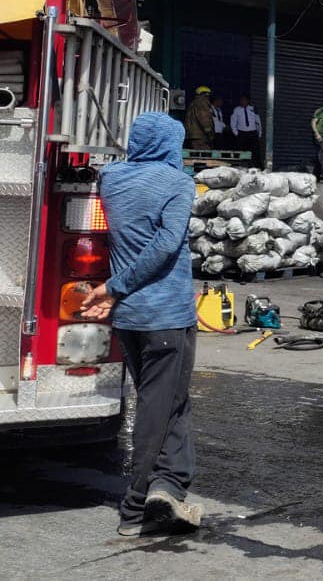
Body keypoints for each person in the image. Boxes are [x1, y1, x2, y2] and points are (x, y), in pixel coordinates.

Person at [80, 112, 202, 537]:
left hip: (131, 319)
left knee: (172, 401)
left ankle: (168, 487)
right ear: (172, 144)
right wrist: (115, 286)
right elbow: (167, 244)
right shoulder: (178, 182)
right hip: (167, 315)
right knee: (157, 406)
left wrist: (116, 292)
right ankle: (134, 505)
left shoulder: (113, 178)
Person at [230, 94, 262, 167]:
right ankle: (240, 166)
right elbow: (233, 122)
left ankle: (256, 167)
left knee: (255, 152)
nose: (243, 101)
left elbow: (257, 121)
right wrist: (236, 133)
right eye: (241, 100)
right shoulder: (236, 109)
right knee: (240, 151)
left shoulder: (253, 108)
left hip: (252, 133)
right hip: (242, 133)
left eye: (244, 100)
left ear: (248, 101)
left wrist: (259, 133)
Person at [183, 86, 214, 151]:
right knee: (204, 154)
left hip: (194, 134)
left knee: (196, 153)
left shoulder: (194, 103)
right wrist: (209, 132)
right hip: (200, 135)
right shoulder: (202, 102)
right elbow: (203, 118)